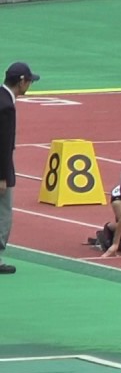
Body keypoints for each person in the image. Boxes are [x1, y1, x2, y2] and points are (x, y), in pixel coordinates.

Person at [0, 62, 38, 275]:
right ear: (22, 81)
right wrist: (3, 176)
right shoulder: (6, 106)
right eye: (29, 81)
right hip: (1, 169)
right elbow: (3, 144)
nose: (30, 84)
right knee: (3, 214)